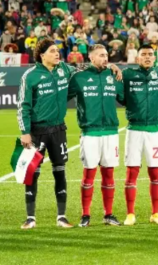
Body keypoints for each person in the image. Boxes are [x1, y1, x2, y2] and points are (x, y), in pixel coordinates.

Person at [17, 38, 75, 229]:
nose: (57, 53)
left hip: (58, 129)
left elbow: (84, 70)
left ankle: (62, 217)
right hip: (37, 132)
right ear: (42, 55)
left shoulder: (64, 69)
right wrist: (25, 132)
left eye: (57, 50)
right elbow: (23, 106)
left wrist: (113, 68)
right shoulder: (30, 76)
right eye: (52, 51)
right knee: (32, 174)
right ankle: (30, 218)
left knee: (60, 171)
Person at [67, 45, 124, 227]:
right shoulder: (79, 78)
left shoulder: (113, 76)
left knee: (109, 174)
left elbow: (123, 97)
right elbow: (63, 97)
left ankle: (108, 214)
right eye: (101, 55)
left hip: (111, 132)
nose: (105, 58)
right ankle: (86, 215)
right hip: (90, 132)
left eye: (107, 55)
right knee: (89, 174)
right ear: (91, 58)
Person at [121, 44, 158, 226]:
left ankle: (156, 213)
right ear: (137, 58)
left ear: (155, 57)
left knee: (155, 172)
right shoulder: (127, 75)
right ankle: (130, 214)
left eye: (150, 54)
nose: (147, 57)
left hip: (155, 130)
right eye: (143, 54)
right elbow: (120, 95)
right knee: (132, 172)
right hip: (134, 129)